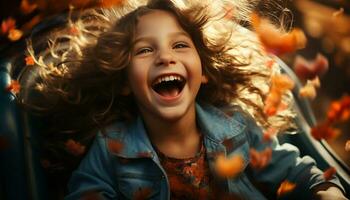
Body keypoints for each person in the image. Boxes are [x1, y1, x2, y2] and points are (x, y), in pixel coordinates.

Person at [21, 0, 348, 199]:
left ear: (203, 72)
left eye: (179, 46)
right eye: (145, 50)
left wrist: (326, 192)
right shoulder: (111, 148)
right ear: (124, 82)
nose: (165, 57)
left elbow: (295, 174)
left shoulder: (235, 125)